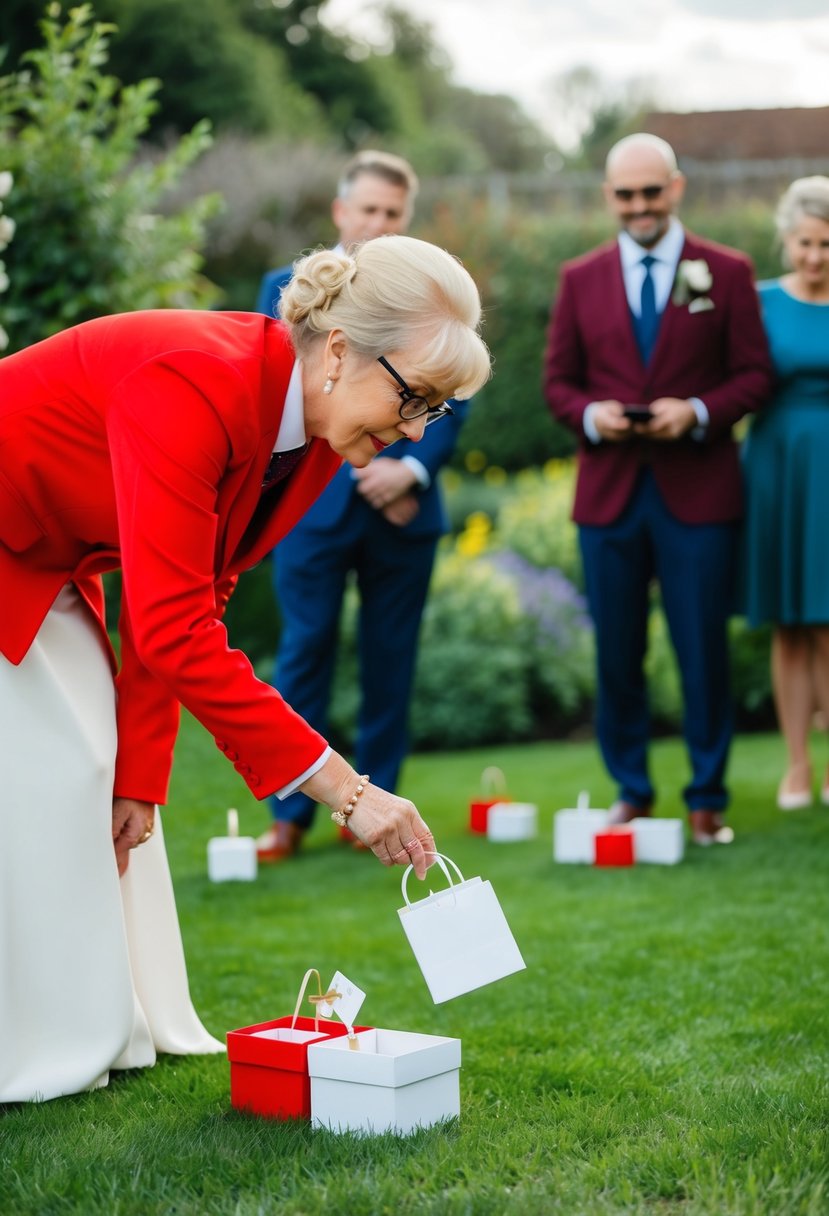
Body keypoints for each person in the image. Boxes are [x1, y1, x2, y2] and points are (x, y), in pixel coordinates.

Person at [0, 233, 490, 1103]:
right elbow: (175, 626)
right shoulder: (195, 381)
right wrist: (349, 791)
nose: (414, 429)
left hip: (49, 553)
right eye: (414, 397)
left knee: (101, 772)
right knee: (58, 769)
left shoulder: (305, 435)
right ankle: (34, 1037)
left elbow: (195, 598)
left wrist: (142, 777)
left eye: (436, 412)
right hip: (13, 541)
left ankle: (101, 1027)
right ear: (340, 350)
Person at [543, 133, 772, 845]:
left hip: (698, 494)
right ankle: (631, 791)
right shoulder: (578, 278)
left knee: (701, 648)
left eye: (650, 192)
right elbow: (556, 383)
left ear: (674, 188)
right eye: (624, 195)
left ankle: (706, 797)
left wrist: (696, 412)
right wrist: (591, 415)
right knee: (616, 653)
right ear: (609, 196)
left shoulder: (725, 271)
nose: (638, 206)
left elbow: (754, 375)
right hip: (608, 496)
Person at [255, 151, 469, 861]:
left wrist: (407, 468)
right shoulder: (281, 290)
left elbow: (449, 400)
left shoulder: (429, 298)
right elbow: (285, 402)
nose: (377, 222)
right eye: (367, 210)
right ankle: (290, 813)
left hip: (401, 512)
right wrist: (353, 467)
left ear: (404, 221)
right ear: (340, 213)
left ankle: (378, 809)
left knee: (389, 661)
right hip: (309, 513)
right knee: (304, 650)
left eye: (391, 214)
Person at [741, 176, 829, 811]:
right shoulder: (759, 301)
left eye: (827, 244)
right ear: (786, 239)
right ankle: (797, 765)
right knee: (789, 624)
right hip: (774, 468)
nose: (816, 257)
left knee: (826, 622)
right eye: (805, 243)